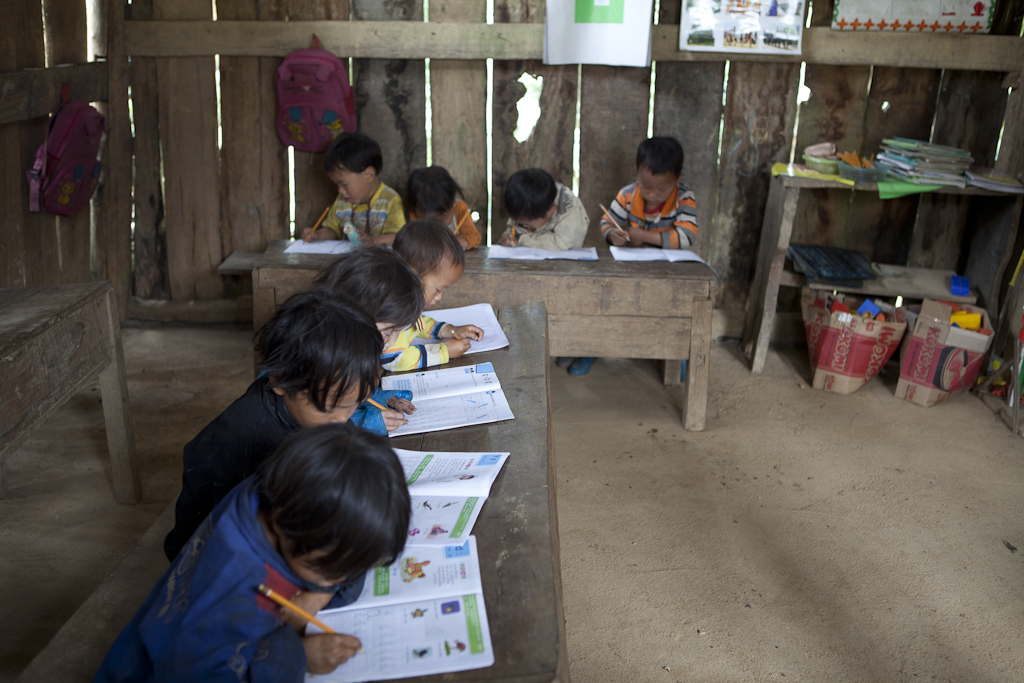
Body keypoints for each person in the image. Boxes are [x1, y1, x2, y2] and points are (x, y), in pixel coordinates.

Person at [96, 423, 411, 682]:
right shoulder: (232, 589)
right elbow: (200, 672)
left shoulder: (279, 490)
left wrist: (320, 591)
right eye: (331, 570)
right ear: (285, 529)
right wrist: (297, 657)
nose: (340, 580)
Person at [163, 290, 383, 561]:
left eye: (355, 403)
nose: (343, 420)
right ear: (279, 379)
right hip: (211, 555)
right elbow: (242, 537)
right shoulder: (259, 446)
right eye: (331, 407)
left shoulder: (299, 406)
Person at [313, 247, 428, 429]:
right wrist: (365, 422)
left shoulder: (345, 343)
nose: (391, 341)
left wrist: (383, 397)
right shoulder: (318, 354)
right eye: (389, 332)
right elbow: (318, 419)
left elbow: (350, 389)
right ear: (352, 315)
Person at [388, 219, 484, 371]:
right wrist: (443, 351)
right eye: (438, 289)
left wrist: (452, 330)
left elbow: (417, 323)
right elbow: (395, 360)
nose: (439, 297)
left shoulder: (405, 301)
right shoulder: (391, 311)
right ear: (411, 274)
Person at [302, 132, 405, 245]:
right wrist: (317, 235)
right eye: (337, 185)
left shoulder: (390, 200)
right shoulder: (342, 201)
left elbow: (398, 237)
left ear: (368, 175)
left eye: (344, 184)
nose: (340, 190)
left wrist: (374, 241)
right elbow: (333, 230)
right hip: (349, 260)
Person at [600, 136, 697, 250]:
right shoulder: (627, 196)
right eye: (646, 186)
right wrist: (612, 234)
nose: (652, 195)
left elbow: (687, 236)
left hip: (671, 265)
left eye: (662, 189)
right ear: (637, 172)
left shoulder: (683, 198)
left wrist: (644, 236)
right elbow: (606, 223)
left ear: (678, 179)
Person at [497, 168, 589, 250]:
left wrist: (521, 239)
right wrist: (508, 237)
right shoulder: (522, 203)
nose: (526, 227)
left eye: (529, 225)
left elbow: (562, 243)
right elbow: (513, 228)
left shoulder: (567, 205)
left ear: (552, 210)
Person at [407, 166, 482, 250]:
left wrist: (447, 244)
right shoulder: (414, 215)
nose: (440, 225)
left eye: (446, 219)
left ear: (453, 202)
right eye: (432, 221)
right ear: (416, 208)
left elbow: (474, 237)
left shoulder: (459, 208)